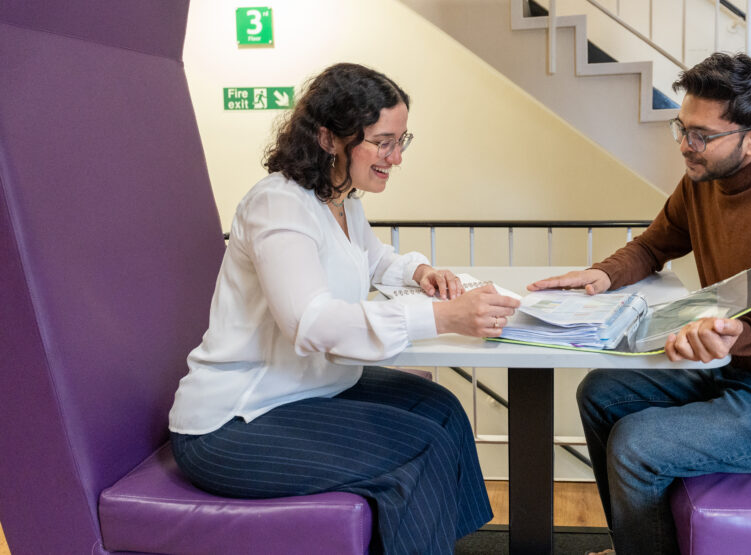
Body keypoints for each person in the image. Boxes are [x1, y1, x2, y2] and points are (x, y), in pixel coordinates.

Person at [169, 62, 520, 555]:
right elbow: (309, 323)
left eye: (402, 141)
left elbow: (374, 260)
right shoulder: (278, 206)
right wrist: (441, 318)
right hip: (234, 422)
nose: (395, 157)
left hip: (303, 389)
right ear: (330, 138)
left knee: (444, 412)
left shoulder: (340, 202)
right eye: (383, 142)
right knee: (424, 445)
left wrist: (420, 273)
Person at [528, 52, 751, 555]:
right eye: (682, 129)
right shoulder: (702, 183)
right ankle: (635, 546)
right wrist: (601, 273)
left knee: (637, 444)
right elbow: (651, 245)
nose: (687, 146)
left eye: (703, 136)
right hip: (736, 370)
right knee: (600, 391)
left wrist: (742, 335)